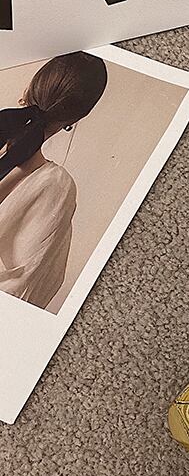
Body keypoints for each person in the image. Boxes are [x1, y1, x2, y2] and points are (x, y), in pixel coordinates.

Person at [0, 52, 108, 310]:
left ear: (28, 90)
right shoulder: (56, 186)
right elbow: (25, 289)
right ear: (76, 118)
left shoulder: (54, 185)